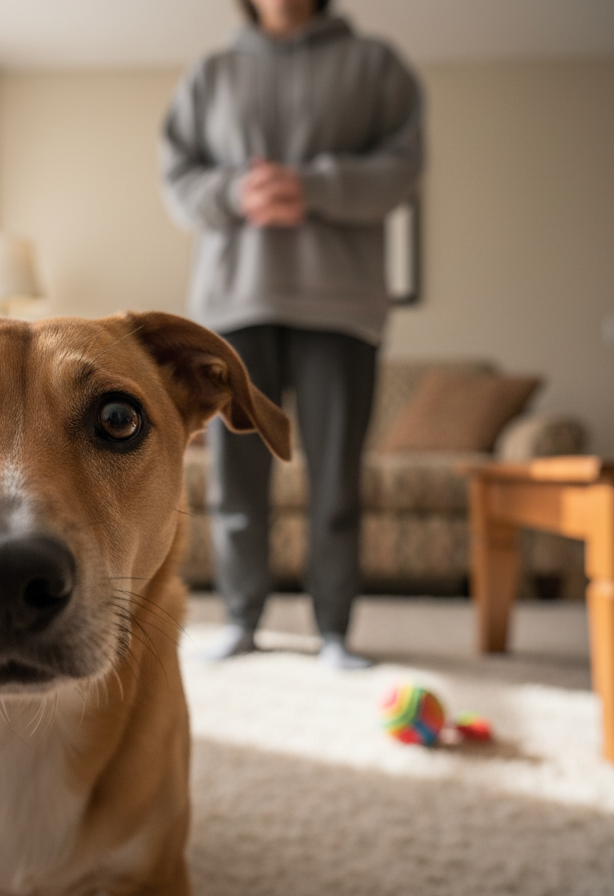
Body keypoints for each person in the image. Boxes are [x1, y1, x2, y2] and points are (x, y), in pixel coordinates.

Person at [160, 0, 424, 668]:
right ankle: (241, 621)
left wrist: (313, 187)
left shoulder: (375, 64)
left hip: (343, 308)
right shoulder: (210, 73)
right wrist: (236, 193)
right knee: (236, 479)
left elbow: (402, 168)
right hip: (234, 305)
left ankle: (334, 632)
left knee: (336, 480)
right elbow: (178, 182)